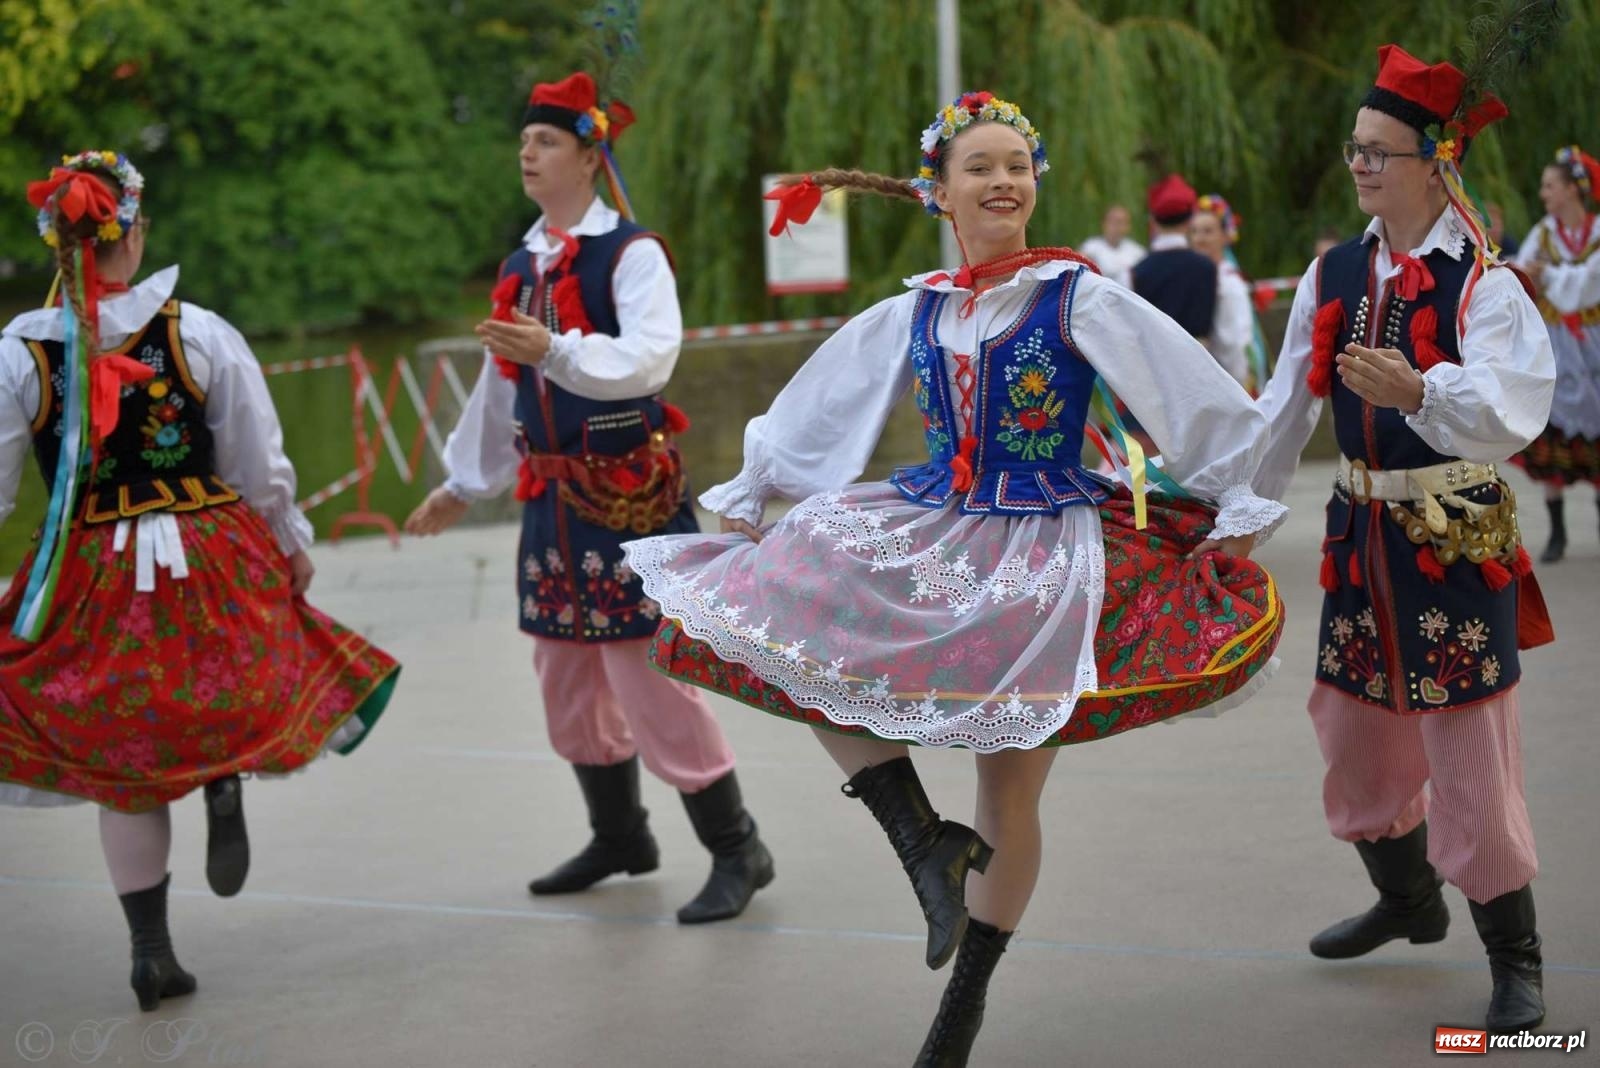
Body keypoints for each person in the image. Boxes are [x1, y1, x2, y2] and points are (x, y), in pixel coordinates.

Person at [624, 91, 1287, 1066]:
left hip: (1042, 548)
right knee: (787, 618)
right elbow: (823, 393)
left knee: (1008, 796)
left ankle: (964, 1000)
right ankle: (918, 840)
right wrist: (760, 477)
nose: (1004, 181)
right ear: (938, 190)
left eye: (1017, 164)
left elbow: (1190, 394)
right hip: (933, 521)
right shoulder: (917, 308)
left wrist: (1240, 502)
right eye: (979, 166)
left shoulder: (1079, 296)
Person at [0, 151, 400, 1010]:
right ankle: (222, 774)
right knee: (228, 679)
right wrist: (288, 544)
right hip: (207, 550)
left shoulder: (20, 353)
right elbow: (261, 462)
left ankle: (150, 951)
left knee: (124, 759)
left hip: (86, 566)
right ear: (133, 234)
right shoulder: (201, 332)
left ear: (58, 245)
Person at [404, 72, 772, 925]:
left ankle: (737, 846)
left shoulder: (630, 254)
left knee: (646, 678)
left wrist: (557, 350)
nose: (526, 153)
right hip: (551, 501)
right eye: (524, 142)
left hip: (628, 497)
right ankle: (621, 836)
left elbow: (651, 360)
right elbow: (502, 389)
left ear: (590, 156)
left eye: (544, 141)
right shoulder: (520, 264)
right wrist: (464, 483)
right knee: (564, 673)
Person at [1253, 43, 1557, 1032]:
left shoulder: (1483, 281)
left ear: (1437, 162)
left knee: (1469, 746)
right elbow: (1277, 413)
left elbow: (1517, 410)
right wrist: (1235, 518)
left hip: (1454, 519)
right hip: (1358, 521)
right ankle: (1407, 898)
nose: (1359, 166)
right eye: (1355, 149)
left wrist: (1422, 388)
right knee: (1351, 731)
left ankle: (1515, 952)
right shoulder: (1334, 271)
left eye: (1380, 151)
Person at [1510, 146, 1600, 562]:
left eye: (1550, 186)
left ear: (1570, 189)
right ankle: (1558, 532)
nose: (1544, 193)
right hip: (1558, 346)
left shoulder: (1597, 232)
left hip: (1594, 343)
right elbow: (1524, 273)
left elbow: (1588, 286)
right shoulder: (1544, 233)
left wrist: (1554, 277)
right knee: (1554, 429)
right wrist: (1540, 276)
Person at [1131, 173, 1217, 341]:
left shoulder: (1136, 272)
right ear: (1189, 221)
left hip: (1153, 362)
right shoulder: (1207, 267)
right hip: (1198, 361)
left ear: (1154, 221)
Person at [1190, 194, 1255, 388]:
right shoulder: (1198, 277)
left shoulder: (1228, 282)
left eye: (1208, 231)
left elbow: (1237, 342)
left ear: (1225, 236)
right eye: (1194, 231)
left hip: (1226, 382)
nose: (1199, 238)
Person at [1079, 203, 1145, 287]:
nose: (1116, 226)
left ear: (1128, 226)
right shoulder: (1090, 248)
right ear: (1103, 223)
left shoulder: (1138, 252)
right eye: (1112, 221)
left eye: (1120, 222)